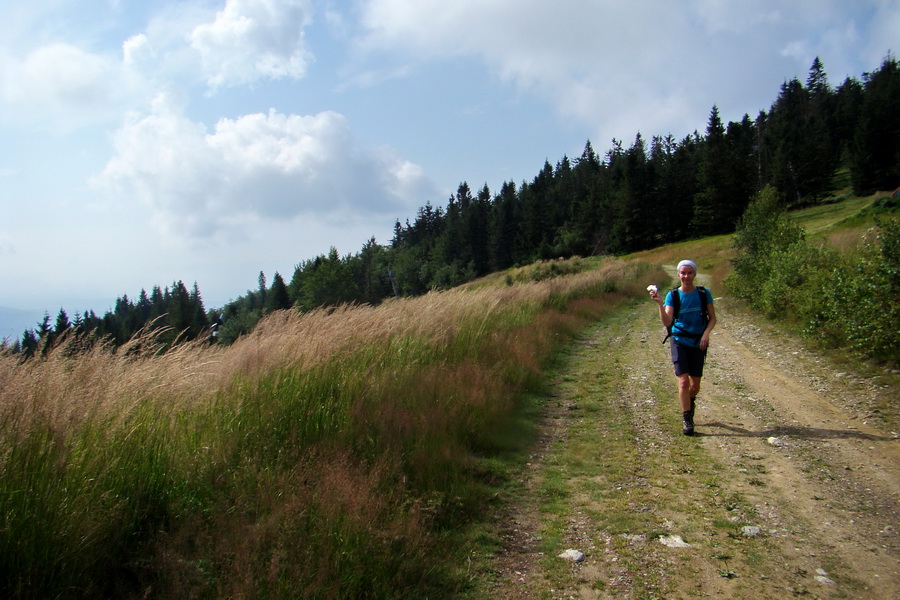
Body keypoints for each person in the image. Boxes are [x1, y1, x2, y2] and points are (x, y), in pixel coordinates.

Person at [649, 260, 717, 435]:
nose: (686, 276)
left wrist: (706, 334)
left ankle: (690, 402)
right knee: (684, 381)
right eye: (683, 273)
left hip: (698, 342)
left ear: (694, 274)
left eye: (689, 273)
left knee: (695, 386)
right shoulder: (673, 296)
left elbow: (713, 319)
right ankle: (687, 419)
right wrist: (659, 304)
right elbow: (667, 322)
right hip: (679, 341)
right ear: (678, 275)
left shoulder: (703, 293)